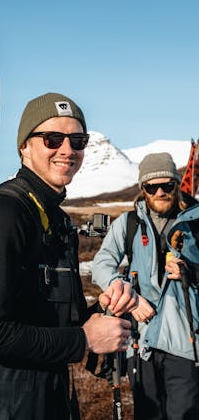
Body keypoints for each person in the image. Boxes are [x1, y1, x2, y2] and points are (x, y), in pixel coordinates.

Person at [0, 92, 138, 420]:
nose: (67, 150)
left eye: (78, 140)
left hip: (49, 395)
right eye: (52, 139)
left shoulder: (58, 220)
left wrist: (104, 309)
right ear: (24, 146)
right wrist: (83, 340)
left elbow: (60, 322)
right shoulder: (2, 214)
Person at [92, 152, 199, 420]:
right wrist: (128, 295)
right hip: (141, 343)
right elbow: (102, 265)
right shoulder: (127, 224)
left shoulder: (195, 224)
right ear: (143, 189)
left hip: (186, 343)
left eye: (168, 185)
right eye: (152, 187)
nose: (160, 192)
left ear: (177, 184)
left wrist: (193, 271)